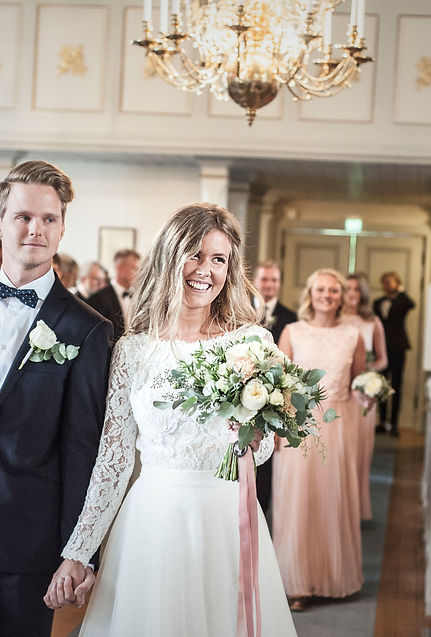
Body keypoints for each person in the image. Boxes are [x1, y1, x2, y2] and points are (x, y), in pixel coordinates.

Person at [44, 203, 297, 637]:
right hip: (152, 521)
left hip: (225, 519)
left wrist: (254, 439)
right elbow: (113, 462)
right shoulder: (133, 350)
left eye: (219, 259)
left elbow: (265, 448)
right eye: (194, 254)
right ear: (169, 256)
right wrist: (79, 552)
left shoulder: (253, 342)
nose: (205, 270)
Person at [0, 160, 113, 637]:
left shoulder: (88, 329)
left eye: (49, 218)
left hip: (24, 541)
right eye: (23, 216)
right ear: (2, 221)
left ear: (62, 228)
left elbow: (83, 449)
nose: (36, 229)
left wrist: (78, 551)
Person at [272, 268, 366, 611]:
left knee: (332, 500)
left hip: (338, 427)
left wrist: (369, 394)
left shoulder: (354, 336)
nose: (327, 295)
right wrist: (278, 430)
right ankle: (296, 583)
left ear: (342, 297)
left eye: (333, 290)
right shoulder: (292, 332)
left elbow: (357, 384)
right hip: (298, 426)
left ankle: (332, 577)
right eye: (321, 290)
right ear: (310, 294)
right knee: (297, 502)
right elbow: (278, 385)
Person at [343, 273, 388, 520]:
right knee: (341, 450)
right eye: (347, 289)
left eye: (356, 289)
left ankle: (357, 508)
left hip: (362, 395)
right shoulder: (335, 319)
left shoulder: (373, 322)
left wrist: (366, 373)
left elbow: (383, 359)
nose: (351, 293)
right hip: (340, 392)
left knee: (359, 451)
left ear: (363, 293)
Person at [253, 261, 297, 514]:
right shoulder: (237, 310)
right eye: (264, 279)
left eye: (274, 280)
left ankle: (262, 511)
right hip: (240, 390)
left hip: (274, 396)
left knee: (267, 460)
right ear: (255, 281)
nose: (269, 285)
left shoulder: (290, 317)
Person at [373, 271, 415, 437]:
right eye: (385, 282)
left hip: (398, 348)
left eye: (390, 282)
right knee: (381, 385)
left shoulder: (402, 301)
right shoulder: (378, 302)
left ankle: (394, 423)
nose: (387, 285)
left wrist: (401, 290)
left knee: (396, 385)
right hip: (381, 347)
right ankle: (382, 421)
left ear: (397, 283)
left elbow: (412, 304)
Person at [88, 248, 140, 343]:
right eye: (134, 268)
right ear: (120, 268)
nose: (138, 272)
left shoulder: (138, 296)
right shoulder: (99, 298)